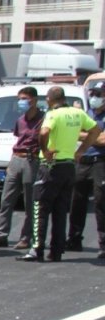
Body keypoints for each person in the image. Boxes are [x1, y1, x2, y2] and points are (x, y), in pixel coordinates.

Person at [22, 86, 102, 262]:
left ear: (50, 99)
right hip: (69, 166)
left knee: (40, 208)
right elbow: (95, 130)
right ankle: (56, 251)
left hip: (50, 166)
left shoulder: (52, 114)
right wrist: (81, 150)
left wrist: (45, 149)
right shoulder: (77, 113)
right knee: (60, 210)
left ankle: (37, 248)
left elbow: (43, 132)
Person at [0, 86, 41, 249]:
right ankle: (1, 235)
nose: (21, 102)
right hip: (16, 159)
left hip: (32, 160)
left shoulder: (43, 119)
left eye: (25, 99)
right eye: (20, 99)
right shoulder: (20, 120)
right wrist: (10, 162)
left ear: (34, 100)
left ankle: (26, 237)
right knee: (6, 200)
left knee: (29, 202)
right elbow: (17, 140)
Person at [67, 80, 105, 257]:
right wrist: (91, 135)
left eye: (99, 94)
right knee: (77, 201)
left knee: (100, 202)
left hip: (100, 162)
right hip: (82, 161)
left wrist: (83, 134)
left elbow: (102, 140)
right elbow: (90, 136)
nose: (94, 97)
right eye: (93, 94)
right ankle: (74, 239)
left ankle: (103, 244)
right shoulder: (86, 114)